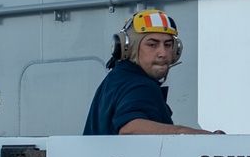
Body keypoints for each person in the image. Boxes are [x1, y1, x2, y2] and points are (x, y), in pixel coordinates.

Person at [83, 9, 219, 136]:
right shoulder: (140, 85)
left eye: (168, 45)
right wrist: (190, 134)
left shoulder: (115, 80)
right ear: (129, 48)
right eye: (152, 45)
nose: (163, 53)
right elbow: (130, 128)